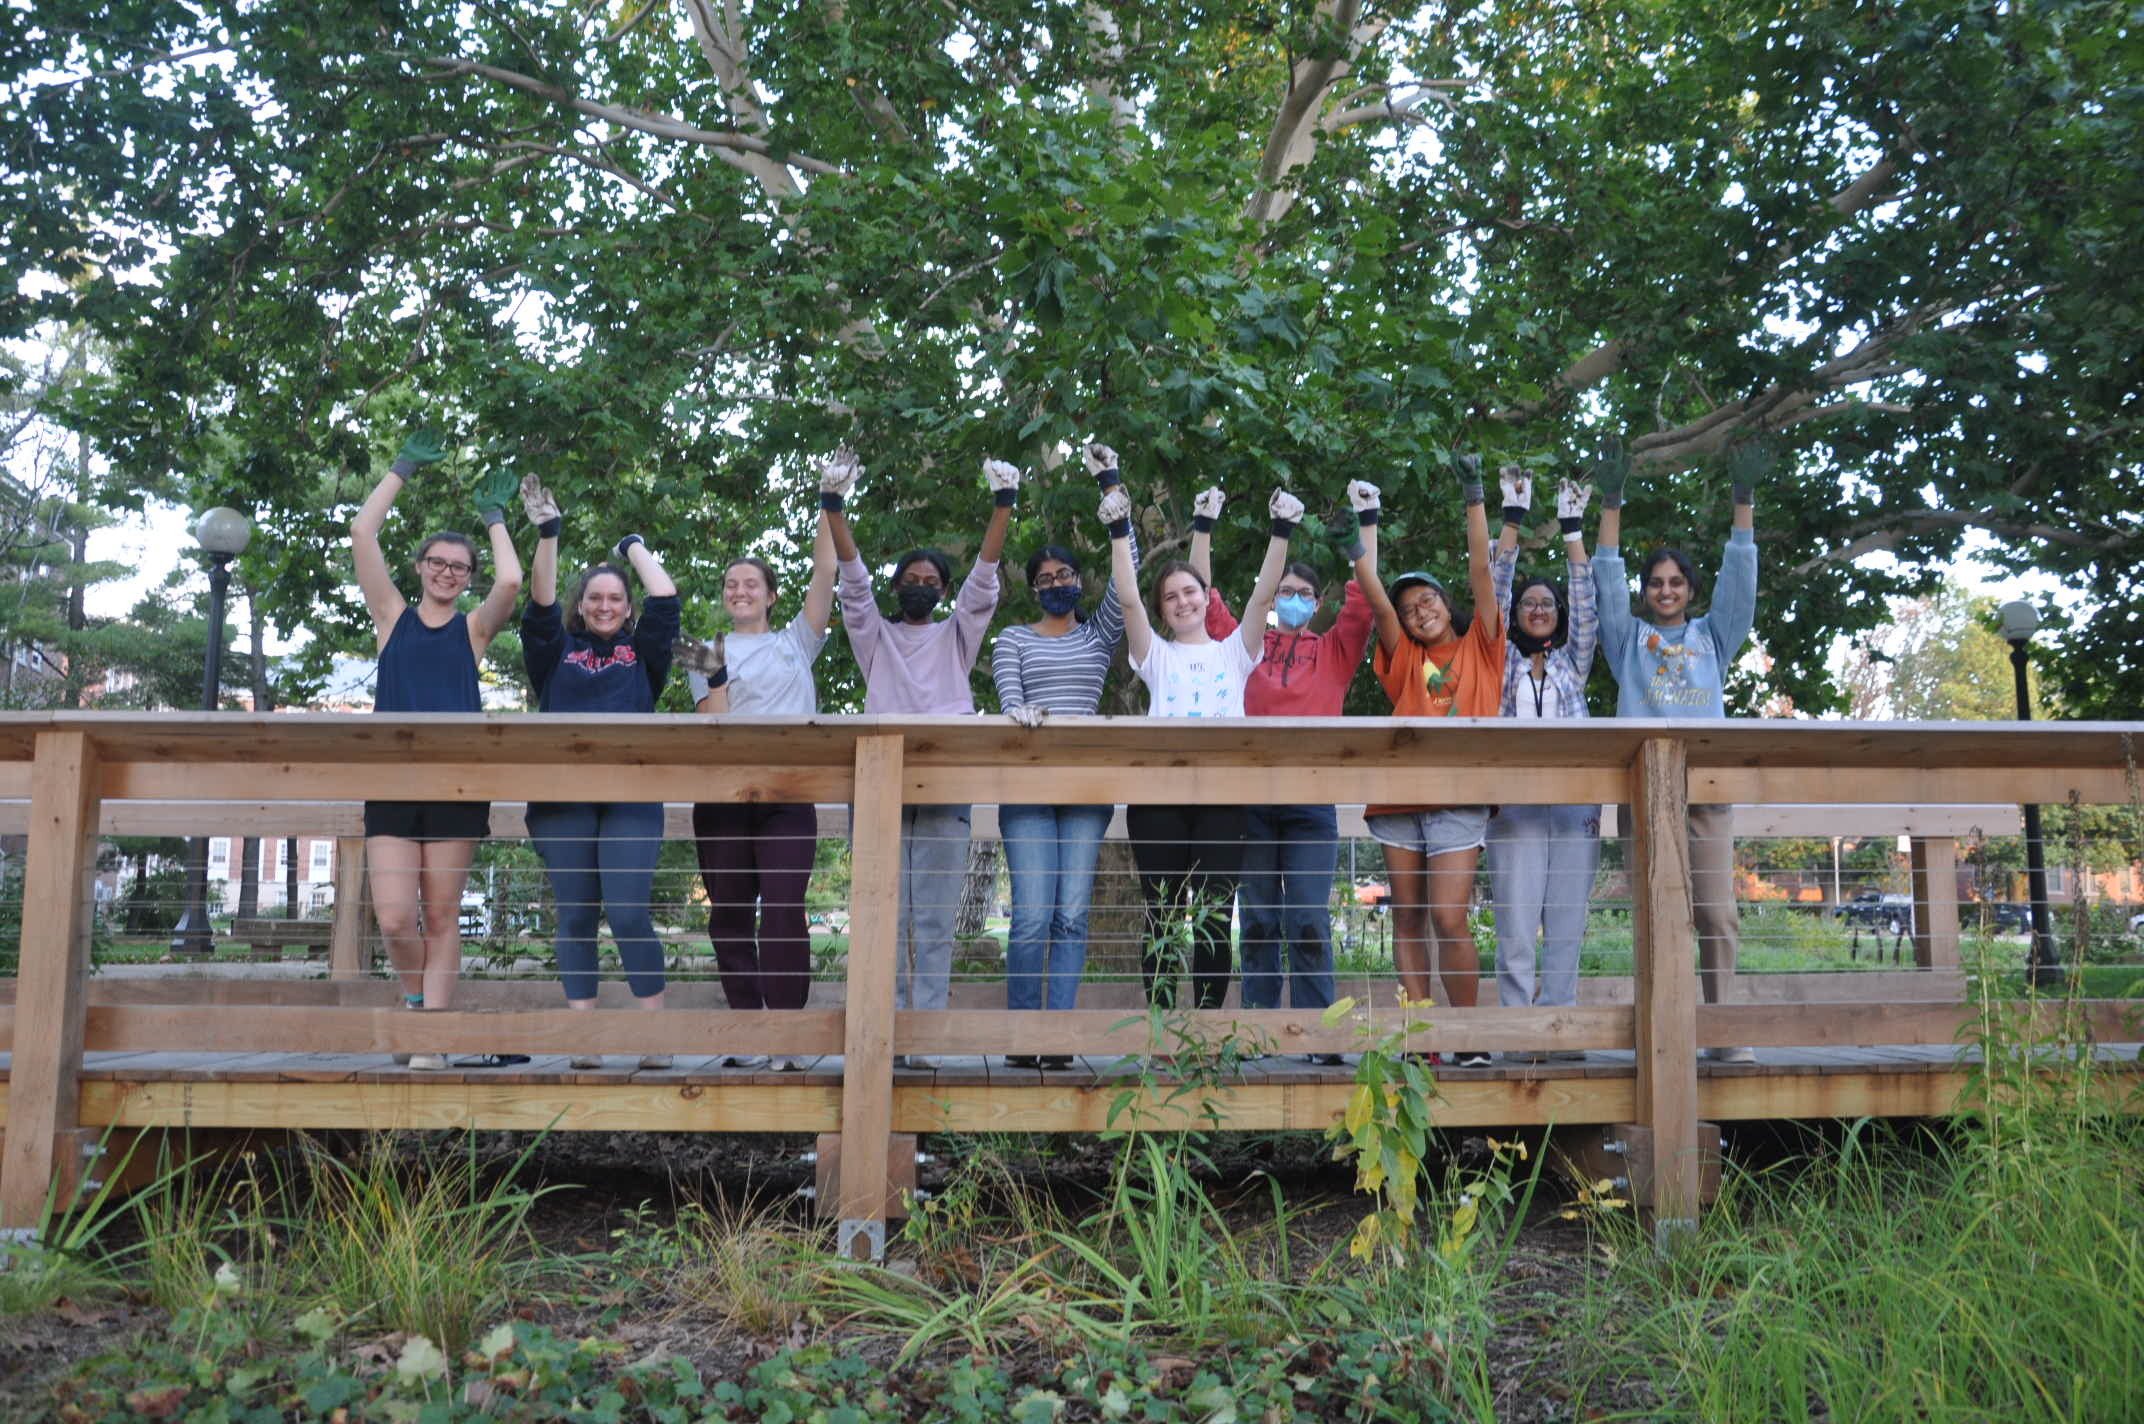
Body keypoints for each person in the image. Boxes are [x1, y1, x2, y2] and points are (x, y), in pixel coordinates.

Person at [828, 449, 1015, 1064]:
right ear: (897, 588)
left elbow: (984, 579)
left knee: (934, 922)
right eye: (911, 580)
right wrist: (833, 505)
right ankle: (878, 1037)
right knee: (883, 922)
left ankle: (925, 1039)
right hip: (879, 786)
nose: (921, 588)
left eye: (931, 582)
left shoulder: (956, 638)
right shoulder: (875, 639)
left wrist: (1004, 503)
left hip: (942, 788)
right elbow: (852, 584)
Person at [349, 429, 522, 1072]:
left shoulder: (473, 632)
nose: (449, 572)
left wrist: (495, 518)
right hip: (392, 785)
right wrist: (399, 471)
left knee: (442, 911)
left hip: (456, 787)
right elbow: (363, 537)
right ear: (421, 568)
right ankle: (421, 1007)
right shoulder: (391, 617)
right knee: (395, 917)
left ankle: (432, 1042)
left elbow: (510, 579)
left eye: (459, 566)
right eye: (438, 562)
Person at [1195, 479, 1383, 1062]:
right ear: (1273, 598)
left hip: (1310, 805)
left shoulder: (1334, 649)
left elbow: (1368, 594)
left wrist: (1365, 520)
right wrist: (1202, 527)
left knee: (1306, 922)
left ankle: (1319, 1039)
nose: (1294, 598)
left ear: (1318, 601)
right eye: (1285, 591)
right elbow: (1202, 596)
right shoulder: (1246, 644)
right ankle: (1257, 1036)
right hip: (1251, 801)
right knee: (1256, 923)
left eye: (1305, 592)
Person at [1593, 437, 1767, 1062]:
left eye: (1675, 582)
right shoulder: (1627, 640)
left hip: (1706, 792)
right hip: (1643, 792)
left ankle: (1723, 1034)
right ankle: (1663, 1032)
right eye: (1656, 583)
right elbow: (1605, 582)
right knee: (1657, 919)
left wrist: (1742, 503)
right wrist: (1611, 502)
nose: (1665, 590)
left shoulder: (1712, 639)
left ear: (1689, 589)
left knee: (1716, 914)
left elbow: (1739, 590)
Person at [517, 475, 682, 1072]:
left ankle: (654, 1035)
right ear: (580, 606)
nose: (606, 606)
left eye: (616, 599)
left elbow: (666, 600)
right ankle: (583, 1037)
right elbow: (536, 605)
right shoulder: (554, 650)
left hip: (632, 800)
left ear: (626, 607)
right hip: (562, 800)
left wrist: (632, 546)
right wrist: (548, 534)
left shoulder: (646, 654)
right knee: (579, 914)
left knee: (630, 910)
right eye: (595, 599)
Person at [1108, 480, 1293, 1012]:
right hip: (1159, 798)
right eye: (1170, 596)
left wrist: (1282, 531)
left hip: (1222, 797)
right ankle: (1161, 1028)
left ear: (1205, 598)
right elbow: (1126, 597)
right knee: (1162, 912)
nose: (1182, 600)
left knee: (1215, 911)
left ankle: (1209, 1028)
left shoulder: (1236, 651)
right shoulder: (1155, 656)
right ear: (1163, 610)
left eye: (1191, 591)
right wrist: (1120, 531)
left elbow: (1263, 595)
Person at [677, 484, 839, 1073]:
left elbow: (826, 573)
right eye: (730, 585)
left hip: (789, 794)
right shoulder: (699, 649)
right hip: (722, 795)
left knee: (784, 908)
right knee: (729, 910)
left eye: (751, 583)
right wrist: (717, 680)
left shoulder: (796, 640)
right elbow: (710, 726)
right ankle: (746, 1028)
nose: (739, 591)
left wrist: (829, 500)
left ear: (771, 595)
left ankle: (787, 1032)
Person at [991, 442, 1140, 1070]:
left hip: (1085, 789)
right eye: (1044, 579)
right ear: (1032, 590)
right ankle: (1024, 1038)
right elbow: (1009, 698)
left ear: (1079, 582)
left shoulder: (1100, 635)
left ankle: (1060, 1039)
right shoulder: (1011, 639)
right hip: (1026, 787)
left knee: (1072, 916)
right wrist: (1019, 715)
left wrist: (1110, 484)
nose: (1055, 585)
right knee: (1030, 916)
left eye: (1064, 576)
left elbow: (1128, 579)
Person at [1356, 453, 1505, 1067]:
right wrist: (1358, 554)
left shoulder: (1483, 646)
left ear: (1446, 602)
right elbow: (1379, 607)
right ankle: (1421, 1046)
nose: (1420, 610)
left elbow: (1481, 570)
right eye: (1412, 607)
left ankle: (1466, 1038)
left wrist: (1474, 495)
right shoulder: (1402, 660)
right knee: (1409, 918)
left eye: (1428, 600)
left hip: (1459, 799)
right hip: (1398, 800)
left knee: (1449, 915)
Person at [1485, 464, 1600, 1061]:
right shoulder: (1499, 659)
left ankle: (1561, 1031)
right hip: (1516, 804)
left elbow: (1587, 603)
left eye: (1545, 602)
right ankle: (1515, 1034)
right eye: (1528, 602)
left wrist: (1574, 527)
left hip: (1573, 802)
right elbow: (1493, 589)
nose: (1536, 608)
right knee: (1515, 923)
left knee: (1565, 922)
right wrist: (1513, 520)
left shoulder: (1572, 663)